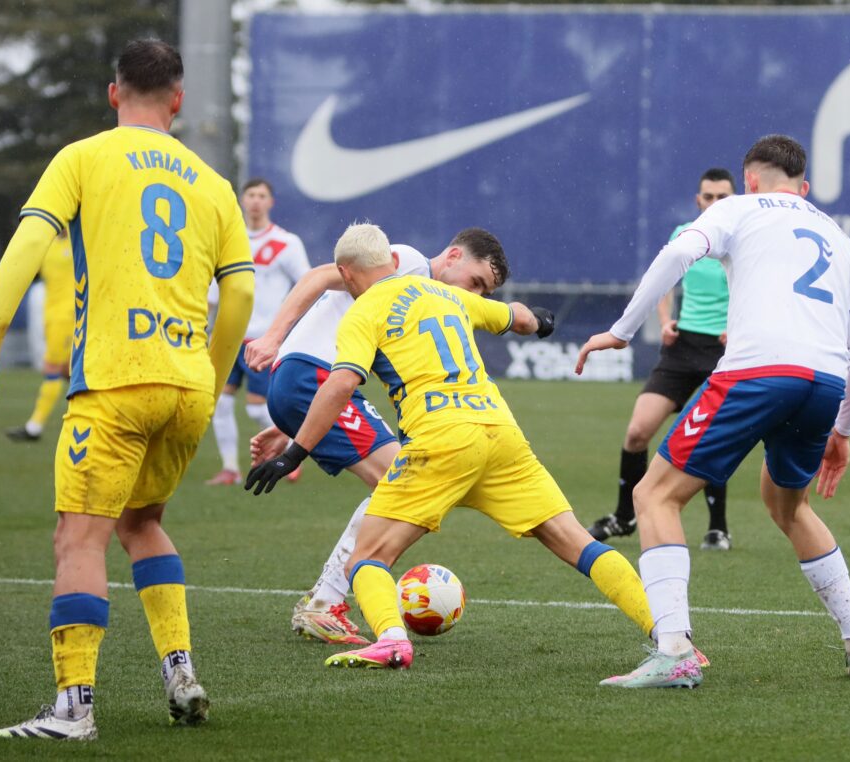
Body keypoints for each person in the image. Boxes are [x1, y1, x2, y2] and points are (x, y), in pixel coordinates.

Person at [0, 39, 255, 738]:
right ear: (178, 101)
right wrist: (212, 378)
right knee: (141, 523)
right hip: (186, 385)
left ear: (113, 92)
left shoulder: (84, 157)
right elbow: (241, 292)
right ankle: (179, 670)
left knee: (79, 538)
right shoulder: (213, 184)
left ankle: (74, 708)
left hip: (117, 381)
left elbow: (29, 246)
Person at [245, 223, 657, 673]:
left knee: (372, 549)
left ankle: (381, 633)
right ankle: (670, 633)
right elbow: (511, 316)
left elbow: (344, 381)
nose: (476, 289)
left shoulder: (367, 310)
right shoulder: (431, 283)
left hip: (421, 430)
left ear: (349, 276)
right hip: (497, 430)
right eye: (478, 281)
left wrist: (295, 448)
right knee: (573, 538)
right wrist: (539, 321)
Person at [576, 134, 850, 688]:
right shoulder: (840, 239)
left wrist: (622, 331)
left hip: (757, 372)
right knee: (787, 505)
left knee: (654, 495)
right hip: (823, 381)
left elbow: (677, 253)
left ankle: (674, 650)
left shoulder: (737, 209)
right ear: (805, 187)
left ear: (748, 180)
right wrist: (843, 429)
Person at [245, 227, 516, 645]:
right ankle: (325, 602)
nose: (476, 296)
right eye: (476, 283)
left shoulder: (424, 299)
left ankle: (326, 599)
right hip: (310, 376)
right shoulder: (406, 264)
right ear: (453, 256)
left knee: (405, 478)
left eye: (485, 292)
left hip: (308, 384)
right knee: (404, 478)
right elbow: (319, 276)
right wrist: (272, 335)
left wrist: (292, 428)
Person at [588, 168, 736, 551]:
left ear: (733, 200)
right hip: (682, 347)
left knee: (710, 436)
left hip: (724, 350)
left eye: (723, 197)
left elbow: (755, 289)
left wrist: (737, 326)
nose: (715, 203)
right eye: (709, 197)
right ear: (698, 200)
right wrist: (666, 321)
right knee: (638, 431)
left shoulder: (740, 240)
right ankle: (625, 517)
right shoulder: (686, 235)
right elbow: (666, 283)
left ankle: (718, 528)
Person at [205, 178, 310, 485]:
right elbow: (214, 291)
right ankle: (230, 469)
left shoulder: (285, 242)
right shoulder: (228, 240)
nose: (255, 201)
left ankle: (290, 451)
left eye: (261, 195)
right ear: (242, 200)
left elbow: (306, 284)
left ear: (270, 202)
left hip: (262, 338)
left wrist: (287, 328)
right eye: (250, 195)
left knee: (255, 408)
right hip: (228, 337)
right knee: (220, 404)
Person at [6, 229, 74, 442]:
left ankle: (34, 427)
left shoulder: (77, 241)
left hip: (69, 316)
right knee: (67, 371)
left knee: (52, 368)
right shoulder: (48, 245)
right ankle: (99, 418)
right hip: (51, 316)